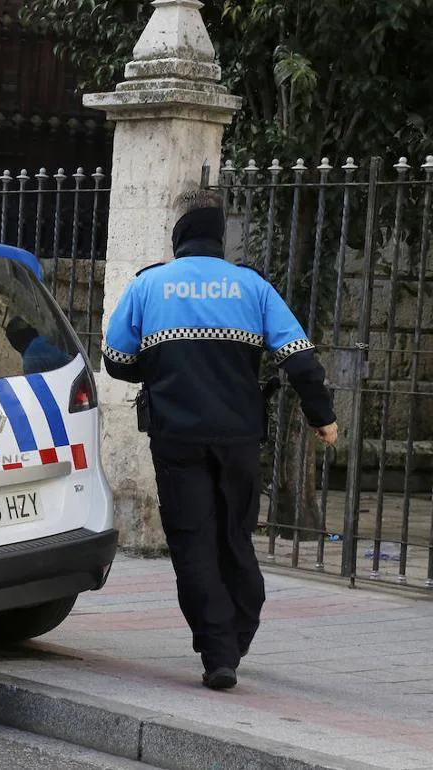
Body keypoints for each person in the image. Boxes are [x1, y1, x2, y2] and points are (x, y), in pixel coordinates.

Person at [101, 189, 338, 691]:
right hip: (238, 438)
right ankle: (239, 632)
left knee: (193, 543)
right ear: (220, 239)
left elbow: (116, 362)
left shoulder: (150, 285)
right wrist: (323, 417)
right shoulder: (252, 288)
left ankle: (217, 652)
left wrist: (164, 364)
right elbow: (299, 359)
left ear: (179, 237)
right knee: (235, 537)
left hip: (176, 437)